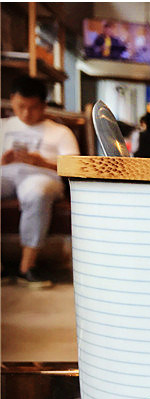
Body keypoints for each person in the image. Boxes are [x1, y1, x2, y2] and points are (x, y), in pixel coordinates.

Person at [1, 75, 80, 288]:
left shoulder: (61, 132)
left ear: (44, 105)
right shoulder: (3, 126)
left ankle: (27, 267)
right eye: (21, 106)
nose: (26, 113)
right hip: (5, 173)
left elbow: (75, 167)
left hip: (42, 176)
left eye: (33, 107)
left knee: (37, 192)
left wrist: (42, 162)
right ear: (12, 100)